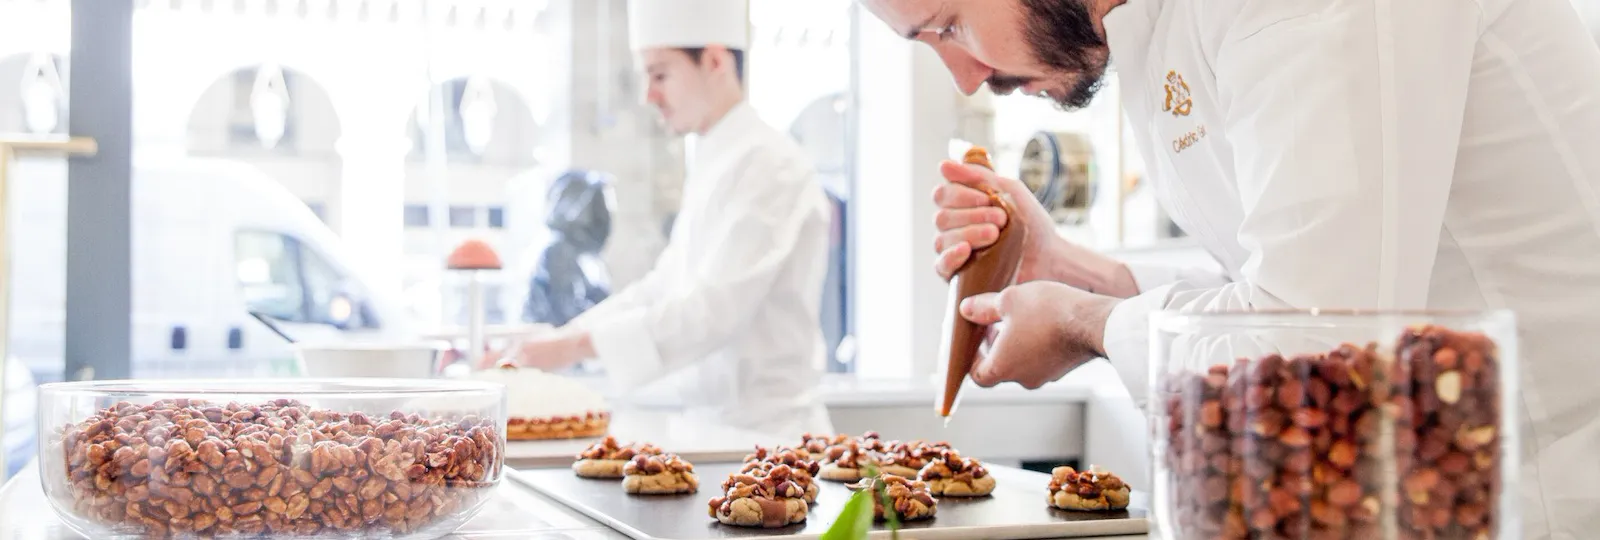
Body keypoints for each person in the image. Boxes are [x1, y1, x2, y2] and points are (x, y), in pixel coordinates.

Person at [861, 0, 1600, 537]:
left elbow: (1316, 352)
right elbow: (1268, 286)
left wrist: (1085, 324)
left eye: (948, 26)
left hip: (1548, 492)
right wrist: (1073, 271)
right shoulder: (1161, 29)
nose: (962, 76)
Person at [495, 0, 835, 437]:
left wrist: (572, 347)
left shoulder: (770, 164)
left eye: (660, 74)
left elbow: (713, 309)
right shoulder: (716, 155)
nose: (648, 96)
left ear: (714, 60)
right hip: (715, 429)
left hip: (771, 436)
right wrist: (560, 339)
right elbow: (663, 286)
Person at [523, 169, 614, 327]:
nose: (605, 217)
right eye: (598, 207)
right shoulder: (559, 253)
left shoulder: (588, 259)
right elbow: (568, 314)